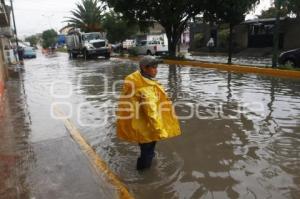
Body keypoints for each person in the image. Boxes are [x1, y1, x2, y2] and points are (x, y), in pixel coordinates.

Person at [116, 56, 181, 170]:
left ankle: (145, 165)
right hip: (147, 127)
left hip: (140, 124)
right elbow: (151, 112)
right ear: (144, 68)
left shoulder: (136, 79)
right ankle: (143, 175)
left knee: (146, 150)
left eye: (157, 67)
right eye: (153, 67)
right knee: (148, 152)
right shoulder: (145, 88)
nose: (156, 70)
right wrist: (160, 130)